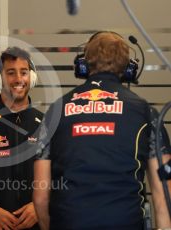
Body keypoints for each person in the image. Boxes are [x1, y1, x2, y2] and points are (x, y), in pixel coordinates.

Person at [33, 31, 171, 230]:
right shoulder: (145, 112)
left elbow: (40, 196)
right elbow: (163, 190)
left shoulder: (56, 110)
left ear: (83, 64)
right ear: (129, 68)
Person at [0, 47, 43, 230]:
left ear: (31, 77)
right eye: (10, 73)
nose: (18, 79)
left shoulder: (47, 125)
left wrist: (39, 206)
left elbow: (62, 176)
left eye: (23, 72)